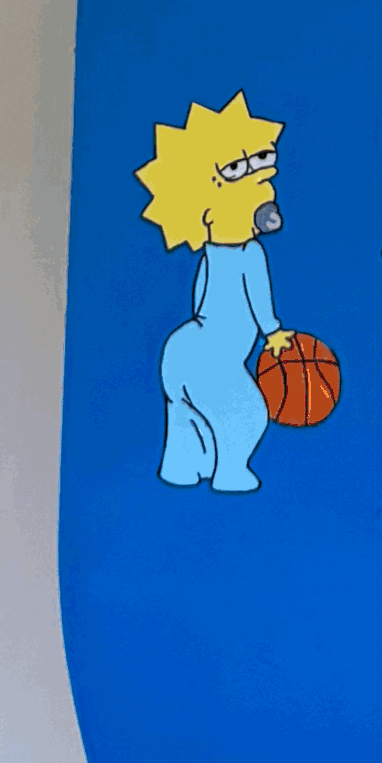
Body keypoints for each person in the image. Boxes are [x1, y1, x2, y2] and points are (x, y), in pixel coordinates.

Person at [136, 96, 293, 496]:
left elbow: (201, 299)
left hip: (183, 345)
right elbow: (258, 299)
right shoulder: (249, 252)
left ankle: (181, 469)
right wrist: (273, 332)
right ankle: (230, 473)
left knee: (183, 414)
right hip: (216, 355)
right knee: (248, 414)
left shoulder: (210, 252)